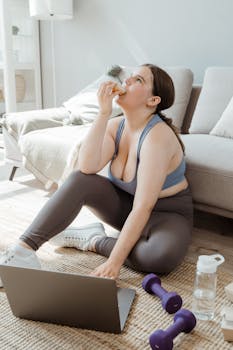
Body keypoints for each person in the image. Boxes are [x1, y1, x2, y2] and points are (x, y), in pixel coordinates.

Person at [0, 64, 193, 285]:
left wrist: (114, 262)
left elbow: (143, 207)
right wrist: (103, 114)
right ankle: (22, 251)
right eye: (129, 77)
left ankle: (93, 240)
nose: (127, 81)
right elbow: (87, 167)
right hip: (125, 207)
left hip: (166, 215)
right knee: (79, 180)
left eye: (138, 80)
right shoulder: (116, 125)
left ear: (153, 101)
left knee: (159, 258)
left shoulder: (157, 137)